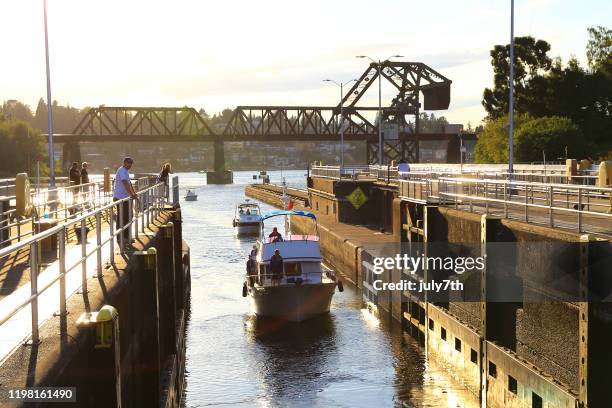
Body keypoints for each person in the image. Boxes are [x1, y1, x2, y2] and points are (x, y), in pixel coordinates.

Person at [113, 157, 138, 247]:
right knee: (122, 217)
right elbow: (124, 182)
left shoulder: (125, 171)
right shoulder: (122, 170)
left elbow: (129, 183)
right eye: (128, 163)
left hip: (125, 197)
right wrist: (131, 194)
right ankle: (121, 238)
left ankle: (127, 237)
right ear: (124, 163)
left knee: (128, 217)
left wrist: (134, 193)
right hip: (120, 198)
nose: (130, 165)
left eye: (131, 163)